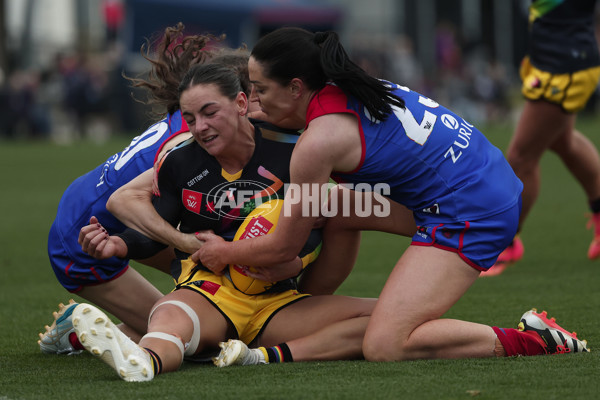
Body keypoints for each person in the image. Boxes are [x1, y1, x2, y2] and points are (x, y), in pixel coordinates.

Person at [193, 27, 590, 363]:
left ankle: (536, 339)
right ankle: (303, 305)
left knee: (387, 344)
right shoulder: (339, 87)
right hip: (484, 179)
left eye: (260, 90)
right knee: (332, 206)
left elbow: (283, 247)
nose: (255, 101)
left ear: (296, 87)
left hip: (472, 210)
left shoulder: (317, 143)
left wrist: (223, 252)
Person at [74, 62, 376, 382]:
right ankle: (143, 360)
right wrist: (120, 244)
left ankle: (258, 356)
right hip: (209, 292)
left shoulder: (295, 152)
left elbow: (314, 228)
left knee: (382, 318)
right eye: (190, 119)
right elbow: (160, 231)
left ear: (242, 104)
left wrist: (296, 262)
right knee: (170, 316)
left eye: (209, 113)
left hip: (276, 302)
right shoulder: (179, 161)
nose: (200, 127)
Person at [38, 24, 235, 353]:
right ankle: (74, 331)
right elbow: (125, 202)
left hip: (96, 211)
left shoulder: (197, 117)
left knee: (219, 301)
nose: (258, 103)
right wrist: (186, 241)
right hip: (83, 239)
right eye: (257, 92)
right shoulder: (199, 136)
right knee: (200, 336)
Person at [483, 0, 600, 276]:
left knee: (521, 158)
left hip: (564, 66)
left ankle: (507, 243)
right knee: (563, 141)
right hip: (555, 60)